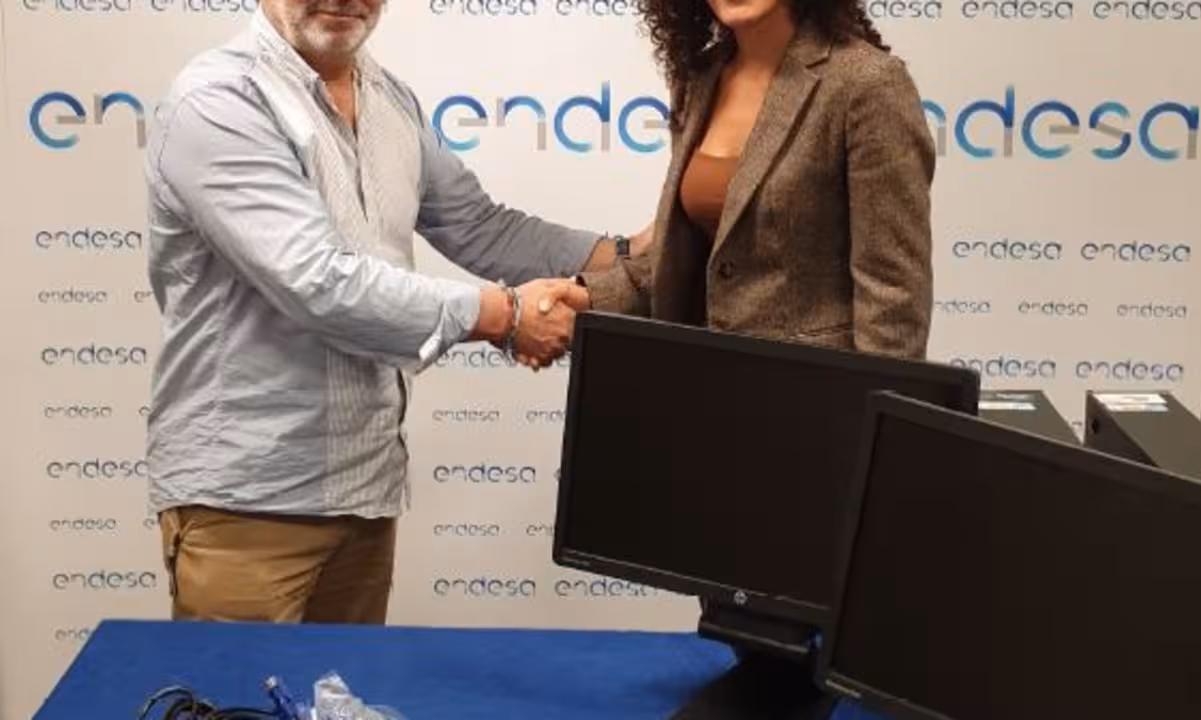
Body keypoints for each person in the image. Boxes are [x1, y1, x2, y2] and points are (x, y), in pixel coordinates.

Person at [144, 0, 643, 624]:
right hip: (247, 502)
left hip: (365, 497)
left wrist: (635, 257)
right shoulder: (219, 99)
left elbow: (479, 225)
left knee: (344, 686)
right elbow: (318, 282)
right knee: (239, 684)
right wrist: (506, 315)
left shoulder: (388, 98)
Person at [574, 0, 934, 360]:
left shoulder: (868, 83)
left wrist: (878, 397)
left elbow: (893, 298)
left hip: (815, 389)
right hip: (703, 382)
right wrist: (586, 298)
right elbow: (684, 261)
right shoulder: (698, 78)